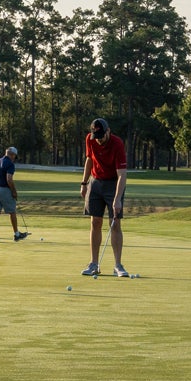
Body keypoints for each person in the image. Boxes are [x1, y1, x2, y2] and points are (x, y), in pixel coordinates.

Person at [79, 118, 130, 277]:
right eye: (97, 136)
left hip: (113, 183)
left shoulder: (117, 144)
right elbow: (89, 160)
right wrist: (84, 182)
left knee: (115, 224)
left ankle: (118, 265)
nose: (99, 139)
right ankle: (94, 264)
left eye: (102, 135)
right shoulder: (91, 139)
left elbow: (122, 175)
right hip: (95, 182)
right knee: (95, 222)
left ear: (108, 131)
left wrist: (117, 199)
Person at [0, 146, 29, 242]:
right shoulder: (10, 164)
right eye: (14, 156)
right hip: (5, 190)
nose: (14, 158)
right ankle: (16, 234)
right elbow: (9, 179)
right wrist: (14, 191)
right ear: (12, 155)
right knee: (12, 212)